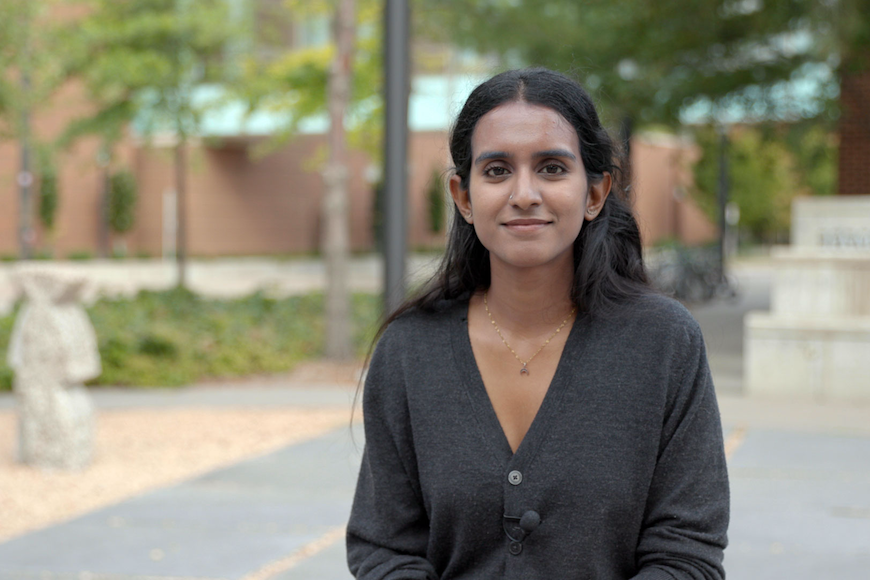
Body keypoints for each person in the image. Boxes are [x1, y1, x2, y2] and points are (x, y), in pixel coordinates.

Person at [347, 68, 729, 580]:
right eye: (497, 170)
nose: (524, 193)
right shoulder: (411, 350)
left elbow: (687, 551)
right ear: (463, 197)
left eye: (551, 168)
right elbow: (384, 549)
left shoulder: (663, 343)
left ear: (595, 194)